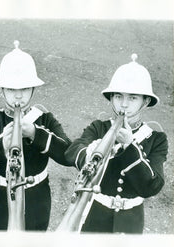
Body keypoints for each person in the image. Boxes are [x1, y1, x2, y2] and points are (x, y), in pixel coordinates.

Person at [0, 41, 72, 231]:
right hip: (0, 201)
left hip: (37, 202)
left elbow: (68, 154)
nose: (18, 97)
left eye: (24, 89)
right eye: (11, 89)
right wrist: (2, 144)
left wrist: (36, 133)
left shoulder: (44, 119)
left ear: (33, 89)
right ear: (2, 90)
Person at [64, 54, 168, 233]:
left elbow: (152, 186)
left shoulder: (156, 139)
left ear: (146, 101)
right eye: (119, 97)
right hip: (95, 215)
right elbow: (72, 152)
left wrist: (130, 146)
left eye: (133, 98)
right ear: (111, 98)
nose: (124, 105)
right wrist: (92, 151)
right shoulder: (99, 127)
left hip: (130, 221)